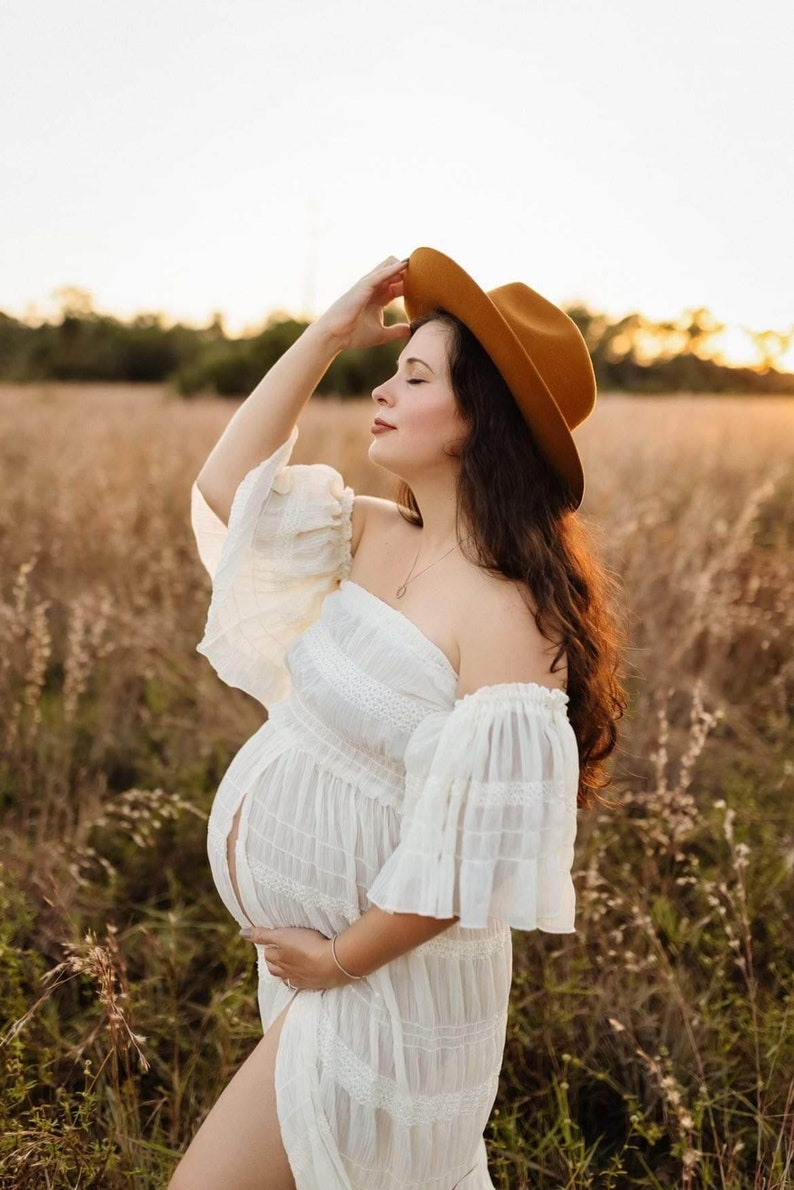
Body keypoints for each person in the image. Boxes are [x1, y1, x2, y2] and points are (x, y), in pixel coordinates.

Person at [170, 249, 627, 1189]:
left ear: (476, 423)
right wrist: (326, 334)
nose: (381, 388)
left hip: (386, 988)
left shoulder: (513, 616)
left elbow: (471, 851)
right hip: (322, 972)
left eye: (413, 375)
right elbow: (230, 488)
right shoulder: (373, 531)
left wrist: (340, 959)